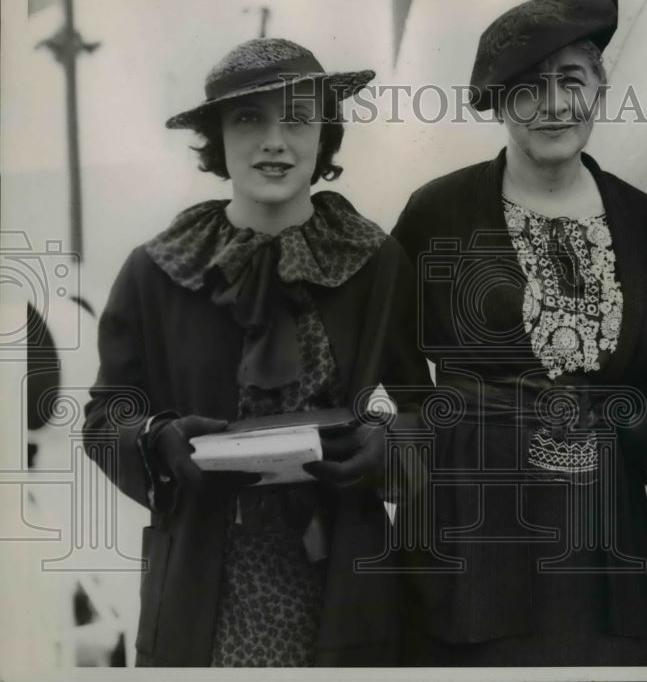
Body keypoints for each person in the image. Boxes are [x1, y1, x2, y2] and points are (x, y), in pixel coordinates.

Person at [83, 38, 430, 667]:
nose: (276, 141)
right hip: (200, 581)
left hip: (342, 574)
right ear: (218, 138)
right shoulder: (157, 269)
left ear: (324, 136)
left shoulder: (375, 262)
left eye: (298, 119)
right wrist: (161, 441)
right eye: (250, 119)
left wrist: (389, 445)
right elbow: (107, 419)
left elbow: (425, 410)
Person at [391, 0, 647, 666]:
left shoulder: (642, 222)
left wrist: (638, 425)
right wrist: (431, 450)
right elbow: (389, 349)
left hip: (606, 537)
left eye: (571, 81)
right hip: (474, 536)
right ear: (497, 103)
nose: (554, 105)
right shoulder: (438, 214)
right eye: (527, 89)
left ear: (600, 90)